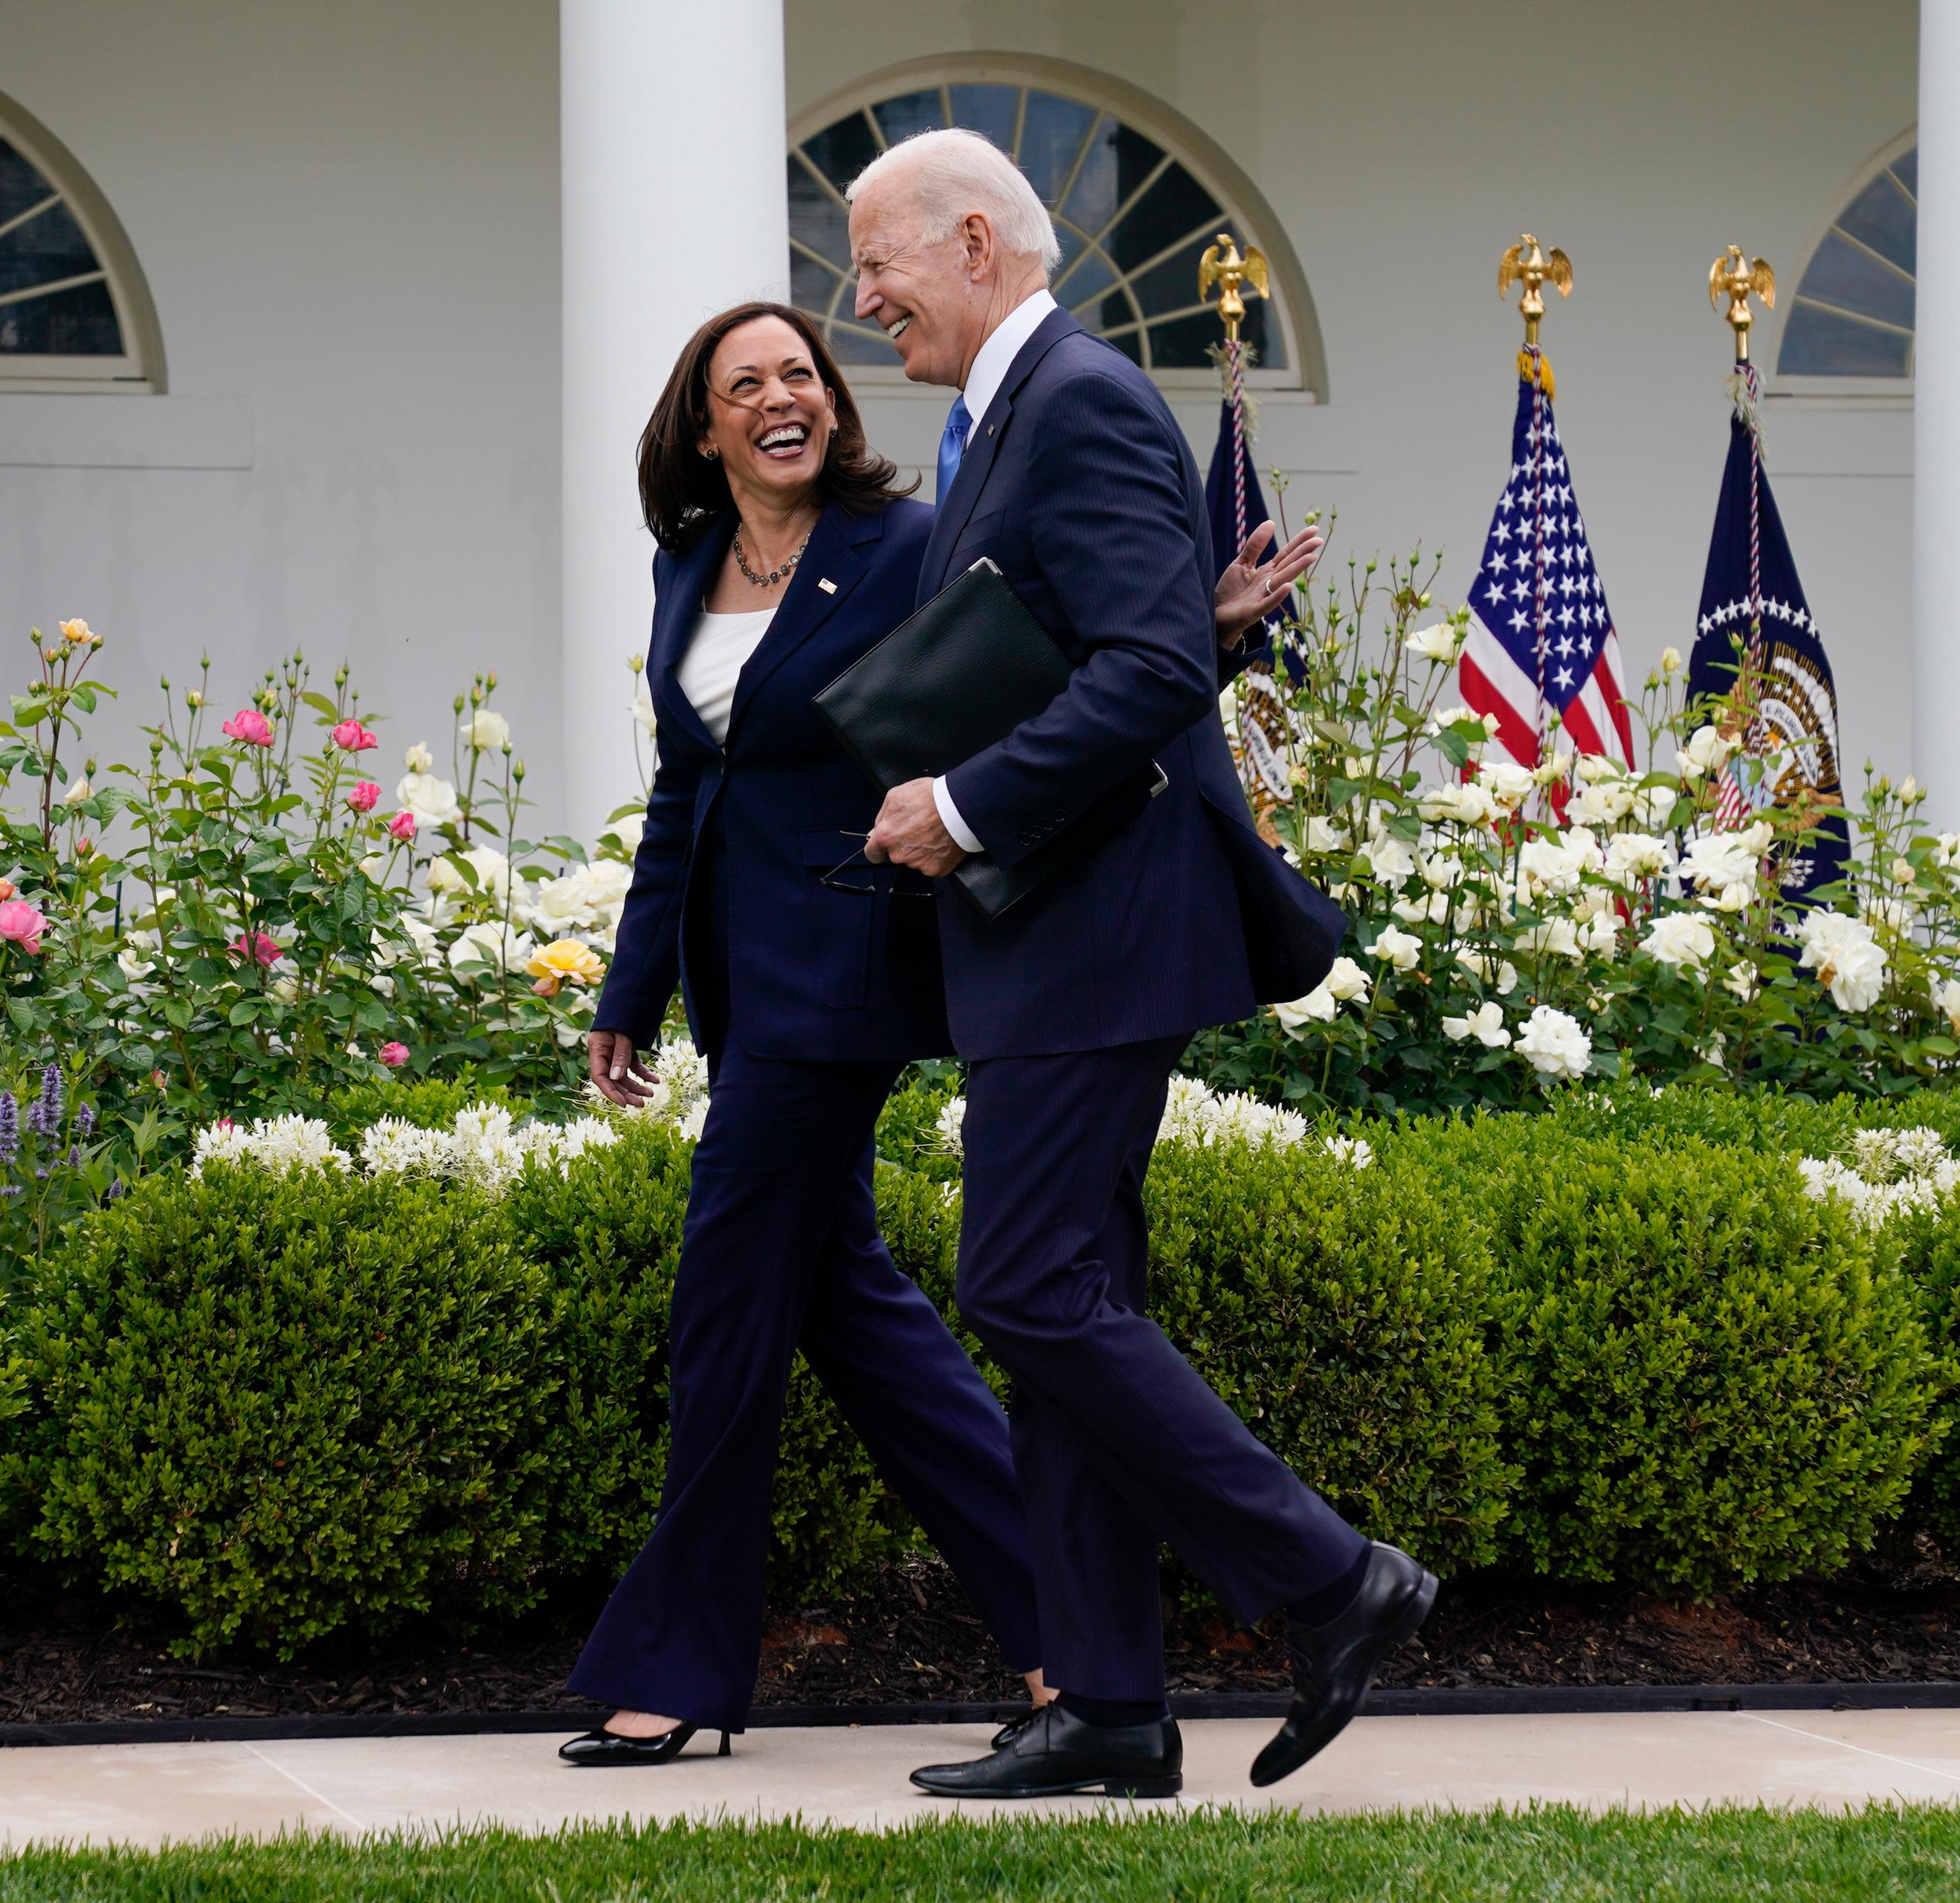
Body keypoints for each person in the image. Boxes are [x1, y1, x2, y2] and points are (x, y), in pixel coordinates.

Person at [846, 129, 1439, 1800]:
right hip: (1053, 933)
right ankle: (1107, 1700)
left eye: (877, 260)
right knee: (1061, 1304)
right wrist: (1206, 618)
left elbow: (1143, 666)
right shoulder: (1014, 416)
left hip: (1093, 930)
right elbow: (1125, 632)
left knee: (1026, 1287)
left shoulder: (1081, 396)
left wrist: (961, 802)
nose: (863, 295)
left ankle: (1335, 1579)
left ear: (977, 242)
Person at [556, 300, 1050, 1767]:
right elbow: (683, 796)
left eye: (801, 373)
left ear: (830, 403)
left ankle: (679, 1661)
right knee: (858, 1317)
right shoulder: (688, 567)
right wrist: (630, 988)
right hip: (739, 977)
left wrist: (1193, 622)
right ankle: (1071, 1634)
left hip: (847, 964)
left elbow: (1034, 675)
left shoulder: (905, 544)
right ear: (704, 427)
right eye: (745, 382)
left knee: (725, 1308)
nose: (784, 395)